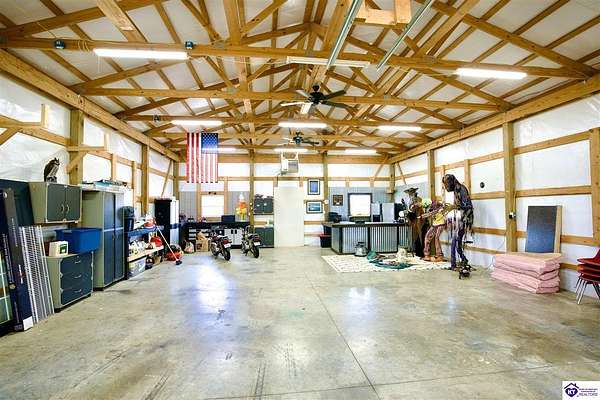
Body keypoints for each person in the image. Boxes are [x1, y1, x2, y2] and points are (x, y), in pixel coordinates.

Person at [442, 174, 473, 270]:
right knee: (457, 243)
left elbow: (468, 206)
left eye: (446, 184)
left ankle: (453, 265)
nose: (446, 187)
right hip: (460, 218)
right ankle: (464, 260)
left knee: (454, 241)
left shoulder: (462, 189)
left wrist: (454, 207)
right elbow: (458, 205)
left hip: (466, 218)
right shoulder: (456, 190)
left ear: (451, 182)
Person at [404, 188, 427, 257]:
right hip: (414, 221)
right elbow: (410, 210)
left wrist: (414, 206)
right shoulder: (409, 201)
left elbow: (418, 208)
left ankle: (422, 253)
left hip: (420, 221)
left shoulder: (418, 199)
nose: (410, 194)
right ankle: (417, 252)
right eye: (409, 193)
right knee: (415, 237)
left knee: (420, 237)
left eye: (411, 192)